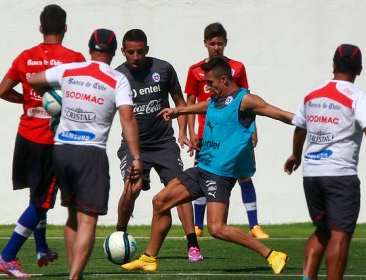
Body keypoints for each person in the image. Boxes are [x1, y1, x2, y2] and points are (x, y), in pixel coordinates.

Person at [122, 57, 292, 274]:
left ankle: (271, 254)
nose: (207, 87)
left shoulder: (244, 99)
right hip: (201, 169)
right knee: (160, 201)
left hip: (220, 176)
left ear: (224, 79)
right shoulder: (215, 99)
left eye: (210, 83)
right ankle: (149, 258)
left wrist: (304, 121)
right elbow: (205, 107)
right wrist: (178, 111)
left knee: (217, 228)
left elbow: (274, 112)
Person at [27, 28, 141, 280]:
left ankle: (72, 273)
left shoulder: (69, 70)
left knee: (72, 216)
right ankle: (74, 278)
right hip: (91, 153)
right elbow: (127, 118)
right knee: (87, 220)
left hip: (62, 150)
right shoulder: (117, 78)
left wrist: (54, 98)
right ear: (113, 53)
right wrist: (136, 157)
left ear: (90, 49)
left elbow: (34, 79)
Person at [0, 4, 85, 278]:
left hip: (26, 136)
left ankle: (42, 249)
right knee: (42, 202)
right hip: (51, 139)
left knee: (37, 195)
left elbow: (2, 91)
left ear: (40, 28)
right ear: (66, 28)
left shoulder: (26, 57)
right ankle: (7, 257)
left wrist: (29, 100)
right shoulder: (74, 58)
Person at [115, 29, 203, 262]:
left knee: (179, 188)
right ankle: (119, 235)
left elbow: (179, 101)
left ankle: (192, 244)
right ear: (123, 51)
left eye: (140, 51)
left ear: (147, 50)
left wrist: (183, 132)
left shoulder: (163, 69)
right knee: (131, 188)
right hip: (134, 146)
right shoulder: (117, 76)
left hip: (164, 143)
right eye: (130, 52)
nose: (135, 56)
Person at [284, 44, 365, 280]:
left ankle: (307, 277)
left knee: (322, 230)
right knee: (340, 234)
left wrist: (296, 156)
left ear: (333, 65)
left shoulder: (312, 94)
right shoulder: (358, 97)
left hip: (311, 174)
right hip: (340, 174)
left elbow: (300, 128)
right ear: (359, 69)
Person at [185, 22, 269, 238]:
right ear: (205, 44)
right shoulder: (195, 71)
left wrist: (253, 130)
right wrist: (190, 132)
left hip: (233, 134)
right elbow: (190, 102)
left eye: (219, 43)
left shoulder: (236, 68)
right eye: (212, 43)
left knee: (244, 176)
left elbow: (246, 101)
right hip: (207, 133)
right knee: (203, 176)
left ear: (225, 44)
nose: (216, 47)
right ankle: (197, 225)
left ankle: (254, 225)